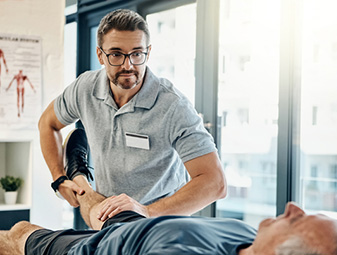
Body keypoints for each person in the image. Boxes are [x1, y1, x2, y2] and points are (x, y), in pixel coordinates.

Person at [38, 8, 226, 224]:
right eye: (116, 54)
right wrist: (58, 177)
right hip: (106, 215)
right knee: (87, 202)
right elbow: (47, 123)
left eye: (137, 54)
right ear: (100, 54)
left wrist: (146, 211)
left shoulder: (173, 105)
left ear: (148, 52)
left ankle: (78, 173)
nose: (128, 65)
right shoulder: (85, 88)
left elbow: (215, 183)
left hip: (158, 222)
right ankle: (76, 175)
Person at [0, 176, 337, 255]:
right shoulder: (250, 236)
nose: (292, 206)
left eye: (298, 219)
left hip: (97, 248)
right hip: (139, 225)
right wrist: (140, 211)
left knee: (24, 231)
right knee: (102, 200)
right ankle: (79, 175)